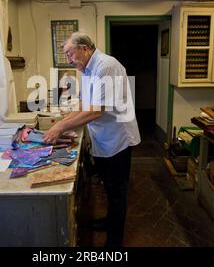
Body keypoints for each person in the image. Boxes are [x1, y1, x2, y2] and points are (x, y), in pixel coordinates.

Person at [43, 32, 141, 247]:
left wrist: (61, 127)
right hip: (105, 137)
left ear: (85, 48)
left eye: (70, 54)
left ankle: (115, 241)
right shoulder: (87, 69)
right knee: (108, 186)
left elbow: (96, 111)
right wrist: (66, 121)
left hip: (118, 138)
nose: (68, 59)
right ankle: (109, 222)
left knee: (117, 192)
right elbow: (84, 102)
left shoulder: (106, 66)